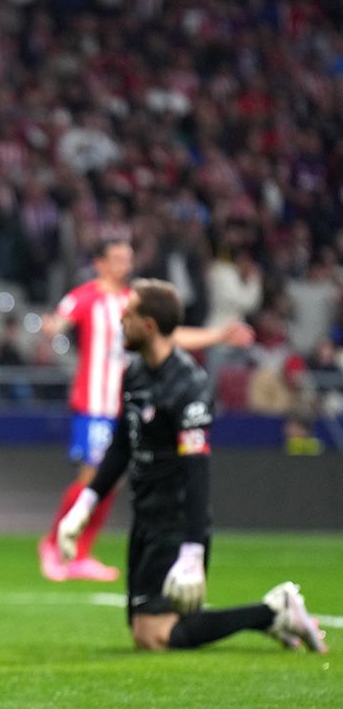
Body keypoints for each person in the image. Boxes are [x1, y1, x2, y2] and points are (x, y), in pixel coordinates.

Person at [57, 279, 327, 653]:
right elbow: (122, 446)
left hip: (175, 518)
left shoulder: (188, 386)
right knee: (145, 631)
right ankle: (271, 613)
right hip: (146, 513)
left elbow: (197, 470)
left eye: (129, 313)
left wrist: (192, 551)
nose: (121, 319)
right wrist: (84, 506)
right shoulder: (134, 374)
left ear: (149, 325)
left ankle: (272, 611)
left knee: (155, 637)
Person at [38, 239, 252, 582]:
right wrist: (52, 327)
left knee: (111, 480)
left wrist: (218, 336)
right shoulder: (86, 296)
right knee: (92, 476)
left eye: (128, 258)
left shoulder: (133, 302)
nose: (124, 264)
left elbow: (170, 336)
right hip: (94, 402)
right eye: (117, 258)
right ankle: (53, 545)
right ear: (100, 263)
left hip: (124, 403)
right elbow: (60, 320)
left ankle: (79, 553)